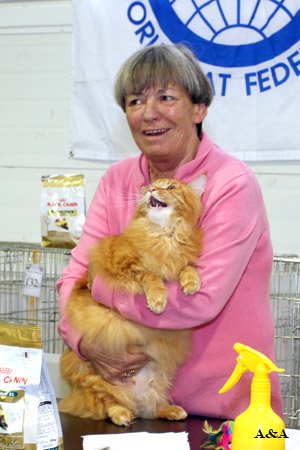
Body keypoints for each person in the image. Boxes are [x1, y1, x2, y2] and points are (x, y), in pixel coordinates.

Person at [57, 44, 283, 419]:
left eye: (165, 97)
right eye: (134, 101)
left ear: (199, 108)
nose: (149, 113)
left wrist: (100, 287)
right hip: (129, 404)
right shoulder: (117, 180)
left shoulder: (231, 184)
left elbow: (200, 299)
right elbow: (72, 277)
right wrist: (83, 342)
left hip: (223, 409)